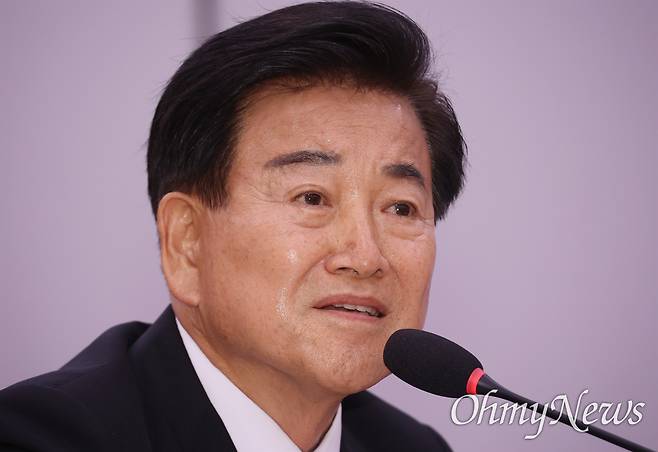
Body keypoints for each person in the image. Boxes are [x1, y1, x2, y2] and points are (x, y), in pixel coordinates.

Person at [0, 2, 466, 451]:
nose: (365, 257)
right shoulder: (45, 437)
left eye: (400, 208)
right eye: (312, 197)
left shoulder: (412, 446)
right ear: (187, 243)